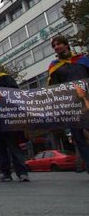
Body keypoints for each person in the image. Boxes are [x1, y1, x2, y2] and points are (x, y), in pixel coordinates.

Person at [47, 35, 89, 174]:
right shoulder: (54, 66)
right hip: (72, 106)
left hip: (87, 101)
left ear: (66, 45)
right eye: (54, 45)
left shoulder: (82, 60)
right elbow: (53, 87)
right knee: (79, 138)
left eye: (59, 44)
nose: (57, 47)